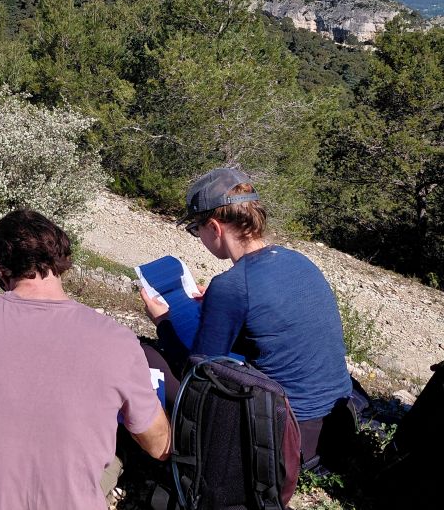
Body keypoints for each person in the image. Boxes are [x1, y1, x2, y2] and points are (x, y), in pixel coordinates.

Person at [0, 209, 170, 510]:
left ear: (1, 271)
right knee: (114, 456)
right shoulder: (118, 340)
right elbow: (159, 445)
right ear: (61, 265)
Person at [140, 167, 352, 466]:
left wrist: (163, 323)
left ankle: (170, 451)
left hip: (283, 438)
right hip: (335, 429)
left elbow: (198, 375)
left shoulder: (233, 285)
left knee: (146, 356)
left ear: (214, 227)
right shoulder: (298, 261)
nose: (198, 237)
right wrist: (215, 304)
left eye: (195, 230)